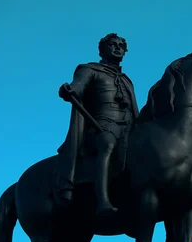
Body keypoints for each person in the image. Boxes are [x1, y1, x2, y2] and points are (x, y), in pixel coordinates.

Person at [55, 33, 139, 219]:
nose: (117, 48)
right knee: (107, 144)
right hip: (101, 125)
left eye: (121, 46)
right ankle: (103, 201)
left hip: (128, 128)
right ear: (102, 50)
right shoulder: (89, 69)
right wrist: (69, 90)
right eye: (112, 45)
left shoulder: (127, 80)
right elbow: (77, 86)